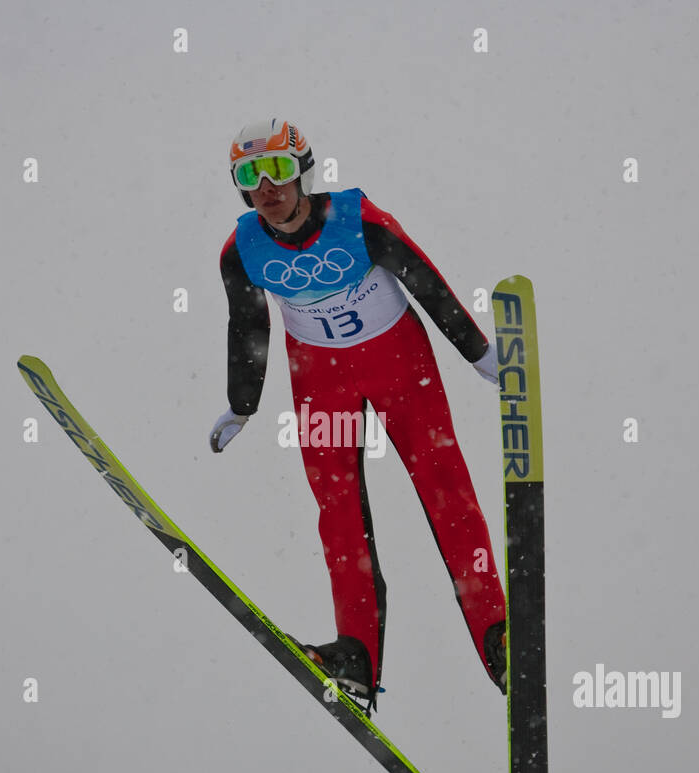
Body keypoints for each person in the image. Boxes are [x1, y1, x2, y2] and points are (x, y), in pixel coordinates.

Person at [210, 118, 506, 712]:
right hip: (320, 379)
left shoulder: (359, 221)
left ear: (303, 172)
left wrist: (479, 354)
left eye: (278, 172)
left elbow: (426, 282)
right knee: (338, 514)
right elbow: (248, 325)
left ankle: (499, 637)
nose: (267, 189)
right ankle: (355, 658)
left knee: (448, 495)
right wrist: (243, 406)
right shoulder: (240, 250)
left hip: (400, 366)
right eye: (250, 177)